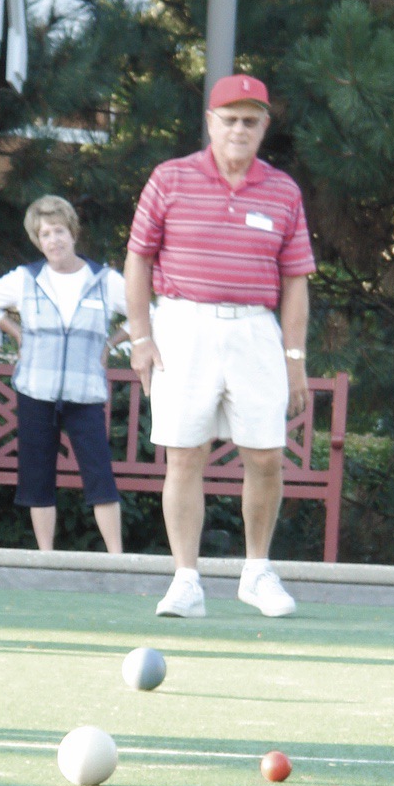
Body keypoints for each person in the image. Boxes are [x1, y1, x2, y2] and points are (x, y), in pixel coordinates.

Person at [124, 73, 315, 617]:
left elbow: (296, 278)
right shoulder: (170, 178)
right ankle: (186, 581)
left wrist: (295, 359)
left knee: (266, 454)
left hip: (255, 329)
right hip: (183, 325)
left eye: (250, 121)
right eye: (229, 119)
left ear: (264, 127)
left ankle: (257, 572)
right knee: (184, 455)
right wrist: (141, 337)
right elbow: (138, 257)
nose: (239, 130)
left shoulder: (283, 191)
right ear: (210, 122)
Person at [0, 196, 127, 553]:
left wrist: (112, 342)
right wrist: (18, 333)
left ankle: (117, 557)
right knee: (37, 475)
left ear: (73, 233)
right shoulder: (26, 280)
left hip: (85, 394)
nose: (54, 240)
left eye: (59, 231)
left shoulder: (104, 280)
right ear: (38, 241)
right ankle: (46, 556)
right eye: (45, 234)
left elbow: (145, 314)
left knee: (99, 475)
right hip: (35, 391)